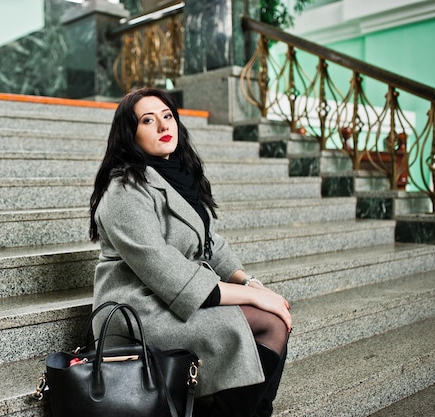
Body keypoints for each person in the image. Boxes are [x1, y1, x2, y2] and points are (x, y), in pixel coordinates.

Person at [89, 87, 291, 417]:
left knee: (277, 314)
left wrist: (250, 282)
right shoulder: (124, 188)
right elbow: (165, 269)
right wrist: (249, 297)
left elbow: (209, 243)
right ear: (130, 133)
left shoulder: (178, 176)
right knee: (267, 323)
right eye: (148, 120)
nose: (163, 126)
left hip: (174, 300)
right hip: (142, 311)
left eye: (168, 117)